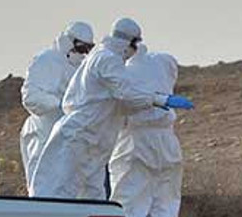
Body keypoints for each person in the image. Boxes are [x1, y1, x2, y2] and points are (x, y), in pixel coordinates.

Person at [30, 18, 194, 199]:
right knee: (58, 188)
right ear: (128, 43)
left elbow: (120, 101)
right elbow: (126, 93)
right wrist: (160, 99)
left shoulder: (103, 57)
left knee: (92, 194)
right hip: (79, 135)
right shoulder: (107, 59)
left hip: (94, 138)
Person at [109, 45, 183, 217]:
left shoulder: (127, 72)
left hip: (135, 142)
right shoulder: (163, 64)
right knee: (164, 199)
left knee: (129, 201)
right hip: (167, 142)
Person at [19, 22, 95, 190]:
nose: (84, 53)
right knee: (43, 188)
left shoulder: (81, 67)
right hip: (43, 135)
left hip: (69, 137)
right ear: (69, 42)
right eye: (81, 48)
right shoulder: (46, 60)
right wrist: (61, 104)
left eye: (88, 49)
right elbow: (31, 97)